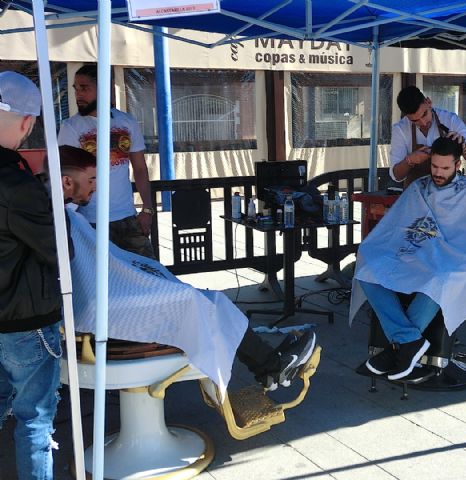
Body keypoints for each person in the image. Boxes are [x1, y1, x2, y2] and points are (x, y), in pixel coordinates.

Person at [56, 145, 317, 393]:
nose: (96, 186)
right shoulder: (65, 220)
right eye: (91, 179)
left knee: (206, 300)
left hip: (101, 305)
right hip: (104, 314)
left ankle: (268, 364)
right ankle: (270, 365)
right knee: (201, 302)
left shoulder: (64, 217)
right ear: (67, 182)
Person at [350, 137, 466, 380]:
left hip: (455, 258)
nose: (438, 173)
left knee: (438, 279)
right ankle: (408, 342)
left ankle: (397, 348)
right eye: (434, 167)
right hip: (419, 253)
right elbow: (398, 225)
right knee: (368, 269)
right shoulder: (420, 187)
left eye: (445, 168)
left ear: (458, 164)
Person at [0, 71, 62, 480]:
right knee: (35, 421)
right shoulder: (16, 183)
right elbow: (60, 250)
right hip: (24, 320)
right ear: (27, 123)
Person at [58, 64, 155, 258]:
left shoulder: (127, 122)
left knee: (147, 274)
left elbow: (140, 168)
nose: (78, 94)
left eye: (84, 88)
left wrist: (147, 209)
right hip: (88, 221)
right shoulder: (71, 127)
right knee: (98, 282)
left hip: (127, 216)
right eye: (76, 89)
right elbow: (66, 178)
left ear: (104, 87)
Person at [389, 86, 466, 187]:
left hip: (449, 195)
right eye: (415, 121)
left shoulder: (451, 120)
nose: (423, 123)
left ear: (428, 102)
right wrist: (410, 160)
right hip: (417, 196)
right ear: (406, 116)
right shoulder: (400, 130)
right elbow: (396, 175)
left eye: (424, 114)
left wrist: (463, 145)